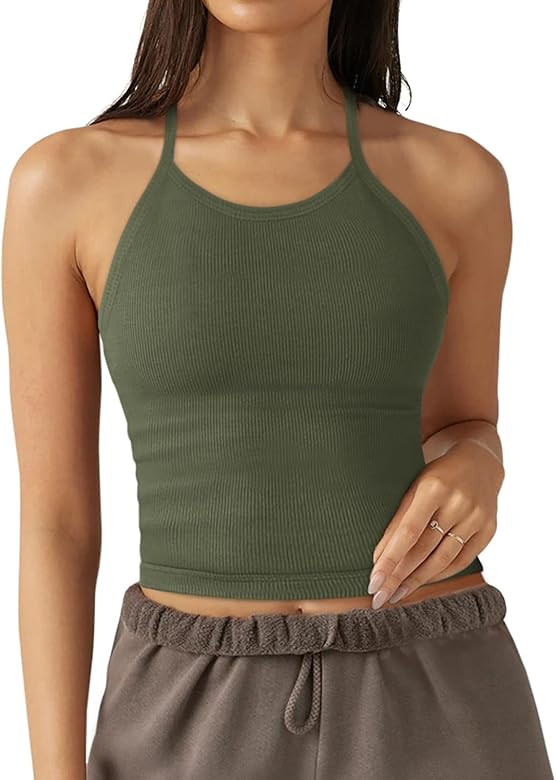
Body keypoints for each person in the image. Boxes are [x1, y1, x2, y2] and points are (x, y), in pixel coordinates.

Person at [3, 1, 553, 778]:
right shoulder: (65, 183)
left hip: (438, 689)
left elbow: (462, 424)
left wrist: (482, 460)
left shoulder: (456, 178)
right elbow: (56, 525)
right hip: (185, 708)